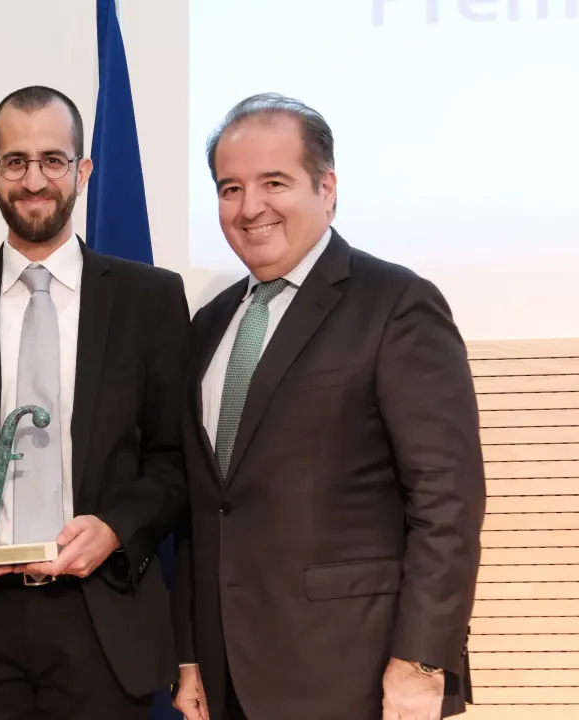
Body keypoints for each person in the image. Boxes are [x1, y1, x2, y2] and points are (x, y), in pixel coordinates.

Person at [171, 93, 486, 720]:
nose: (250, 207)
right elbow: (204, 507)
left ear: (327, 188)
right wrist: (190, 655)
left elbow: (447, 497)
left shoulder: (396, 304)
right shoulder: (208, 325)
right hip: (228, 677)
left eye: (274, 182)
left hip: (356, 674)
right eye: (231, 188)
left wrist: (422, 661)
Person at [0, 85, 191, 719]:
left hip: (103, 617)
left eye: (53, 160)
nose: (34, 180)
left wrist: (115, 529)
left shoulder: (150, 300)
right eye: (16, 162)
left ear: (82, 171)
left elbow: (173, 460)